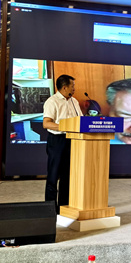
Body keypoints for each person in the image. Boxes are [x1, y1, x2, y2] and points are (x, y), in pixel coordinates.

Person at [42, 74, 82, 212]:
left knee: (67, 177)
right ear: (64, 87)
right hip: (57, 141)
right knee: (53, 176)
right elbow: (46, 123)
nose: (74, 88)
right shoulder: (52, 101)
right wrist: (66, 127)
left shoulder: (74, 101)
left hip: (73, 140)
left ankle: (63, 207)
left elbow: (80, 120)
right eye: (72, 86)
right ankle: (50, 210)